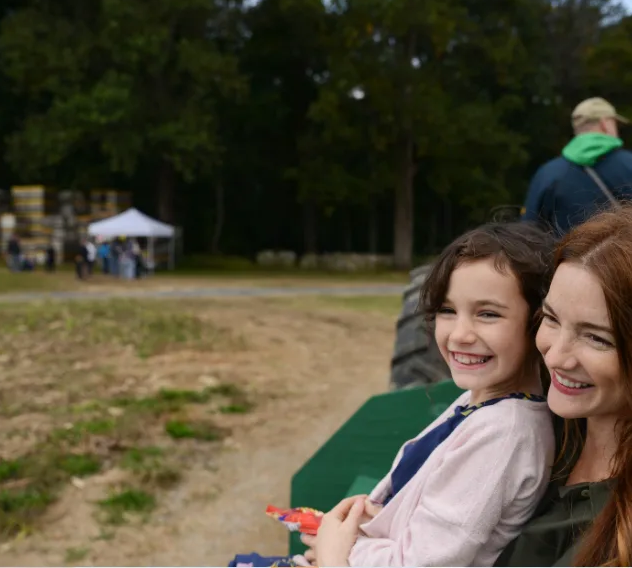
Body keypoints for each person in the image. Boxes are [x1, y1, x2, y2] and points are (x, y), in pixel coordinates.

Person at [337, 205, 632, 567]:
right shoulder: (559, 429)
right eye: (550, 319)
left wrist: (338, 560)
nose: (555, 354)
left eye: (596, 337)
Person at [233, 222, 558, 568]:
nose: (460, 334)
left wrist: (337, 548)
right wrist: (374, 520)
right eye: (447, 311)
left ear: (539, 323)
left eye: (488, 314)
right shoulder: (482, 402)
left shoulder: (505, 434)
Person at [521, 98, 632, 236]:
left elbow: (528, 231)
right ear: (605, 124)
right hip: (631, 264)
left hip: (567, 264)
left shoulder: (548, 174)